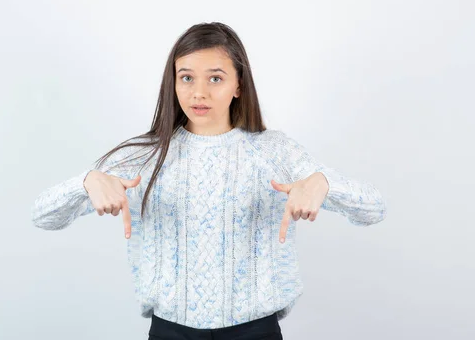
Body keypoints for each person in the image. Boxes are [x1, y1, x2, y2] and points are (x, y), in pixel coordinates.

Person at [32, 22, 387, 340]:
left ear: (238, 85)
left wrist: (324, 183)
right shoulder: (142, 156)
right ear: (173, 83)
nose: (198, 92)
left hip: (254, 330)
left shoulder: (275, 151)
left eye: (215, 78)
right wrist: (86, 181)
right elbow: (43, 216)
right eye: (186, 77)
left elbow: (374, 209)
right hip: (170, 330)